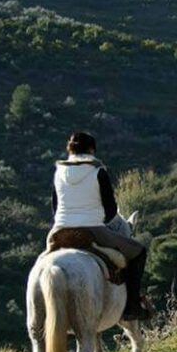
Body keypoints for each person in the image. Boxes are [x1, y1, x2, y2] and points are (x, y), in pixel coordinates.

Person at [49, 132, 151, 320]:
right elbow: (110, 211)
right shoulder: (98, 171)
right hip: (93, 230)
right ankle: (132, 307)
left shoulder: (59, 172)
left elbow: (55, 209)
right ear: (91, 150)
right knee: (138, 252)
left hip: (59, 231)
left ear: (70, 150)